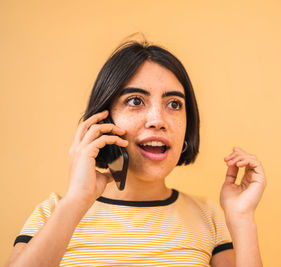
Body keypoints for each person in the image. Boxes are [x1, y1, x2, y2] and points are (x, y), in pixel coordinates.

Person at [6, 39, 266, 266]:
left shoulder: (208, 216)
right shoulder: (52, 211)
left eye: (174, 104)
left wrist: (242, 218)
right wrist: (76, 201)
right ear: (102, 119)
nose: (158, 120)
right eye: (135, 101)